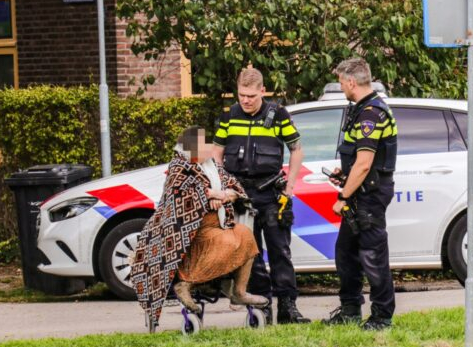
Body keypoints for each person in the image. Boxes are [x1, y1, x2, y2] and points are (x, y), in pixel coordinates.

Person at [130, 126, 268, 331]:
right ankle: (185, 283)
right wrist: (208, 196)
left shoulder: (211, 165)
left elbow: (234, 186)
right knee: (228, 242)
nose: (210, 148)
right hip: (193, 231)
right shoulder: (179, 167)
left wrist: (227, 195)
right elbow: (179, 196)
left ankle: (239, 292)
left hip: (219, 223)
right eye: (204, 145)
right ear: (191, 148)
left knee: (246, 236)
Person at [212, 67, 310, 324]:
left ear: (262, 91)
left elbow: (296, 150)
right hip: (241, 197)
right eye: (241, 95)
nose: (245, 100)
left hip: (270, 194)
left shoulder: (278, 114)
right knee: (250, 256)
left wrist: (289, 189)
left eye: (251, 96)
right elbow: (217, 152)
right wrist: (223, 185)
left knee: (280, 253)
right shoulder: (229, 116)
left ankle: (288, 308)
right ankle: (261, 306)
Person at [323, 57, 398, 331]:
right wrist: (344, 175)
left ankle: (381, 317)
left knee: (373, 256)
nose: (342, 86)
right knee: (346, 253)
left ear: (351, 82)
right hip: (361, 191)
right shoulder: (362, 108)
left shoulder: (371, 114)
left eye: (342, 82)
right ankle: (350, 310)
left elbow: (366, 163)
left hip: (369, 195)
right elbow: (359, 160)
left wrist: (343, 195)